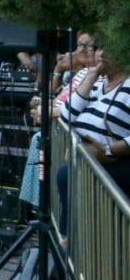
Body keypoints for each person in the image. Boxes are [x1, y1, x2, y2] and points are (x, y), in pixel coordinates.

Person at [55, 44, 130, 232]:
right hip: (86, 160)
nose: (102, 54)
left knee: (66, 176)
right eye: (99, 48)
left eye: (109, 49)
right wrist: (90, 77)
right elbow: (67, 115)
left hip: (117, 163)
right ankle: (69, 246)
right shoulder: (98, 82)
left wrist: (108, 150)